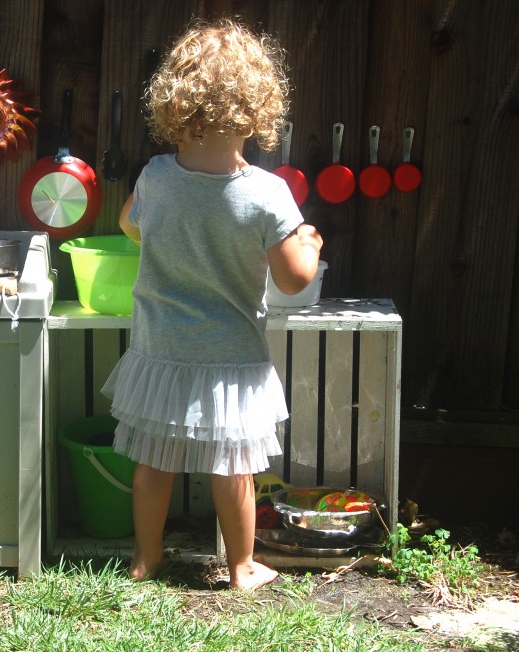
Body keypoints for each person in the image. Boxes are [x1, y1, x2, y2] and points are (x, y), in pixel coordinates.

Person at [101, 18, 323, 590]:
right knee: (234, 466)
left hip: (163, 348)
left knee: (154, 461)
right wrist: (310, 241)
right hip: (232, 357)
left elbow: (130, 225)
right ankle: (242, 566)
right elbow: (296, 281)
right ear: (257, 107)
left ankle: (146, 559)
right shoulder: (269, 194)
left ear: (176, 103)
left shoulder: (156, 177)